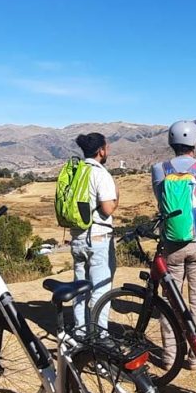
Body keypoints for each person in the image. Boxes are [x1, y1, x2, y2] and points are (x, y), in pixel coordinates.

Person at [151, 120, 196, 369]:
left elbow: (162, 203)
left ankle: (170, 357)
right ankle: (195, 358)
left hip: (171, 244)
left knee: (171, 302)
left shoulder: (159, 169)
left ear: (171, 142)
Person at [70, 132, 118, 335]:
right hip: (98, 238)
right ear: (101, 150)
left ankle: (80, 333)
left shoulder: (75, 172)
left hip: (77, 237)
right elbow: (107, 209)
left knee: (79, 289)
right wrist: (118, 199)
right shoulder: (100, 173)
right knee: (101, 289)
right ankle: (100, 336)